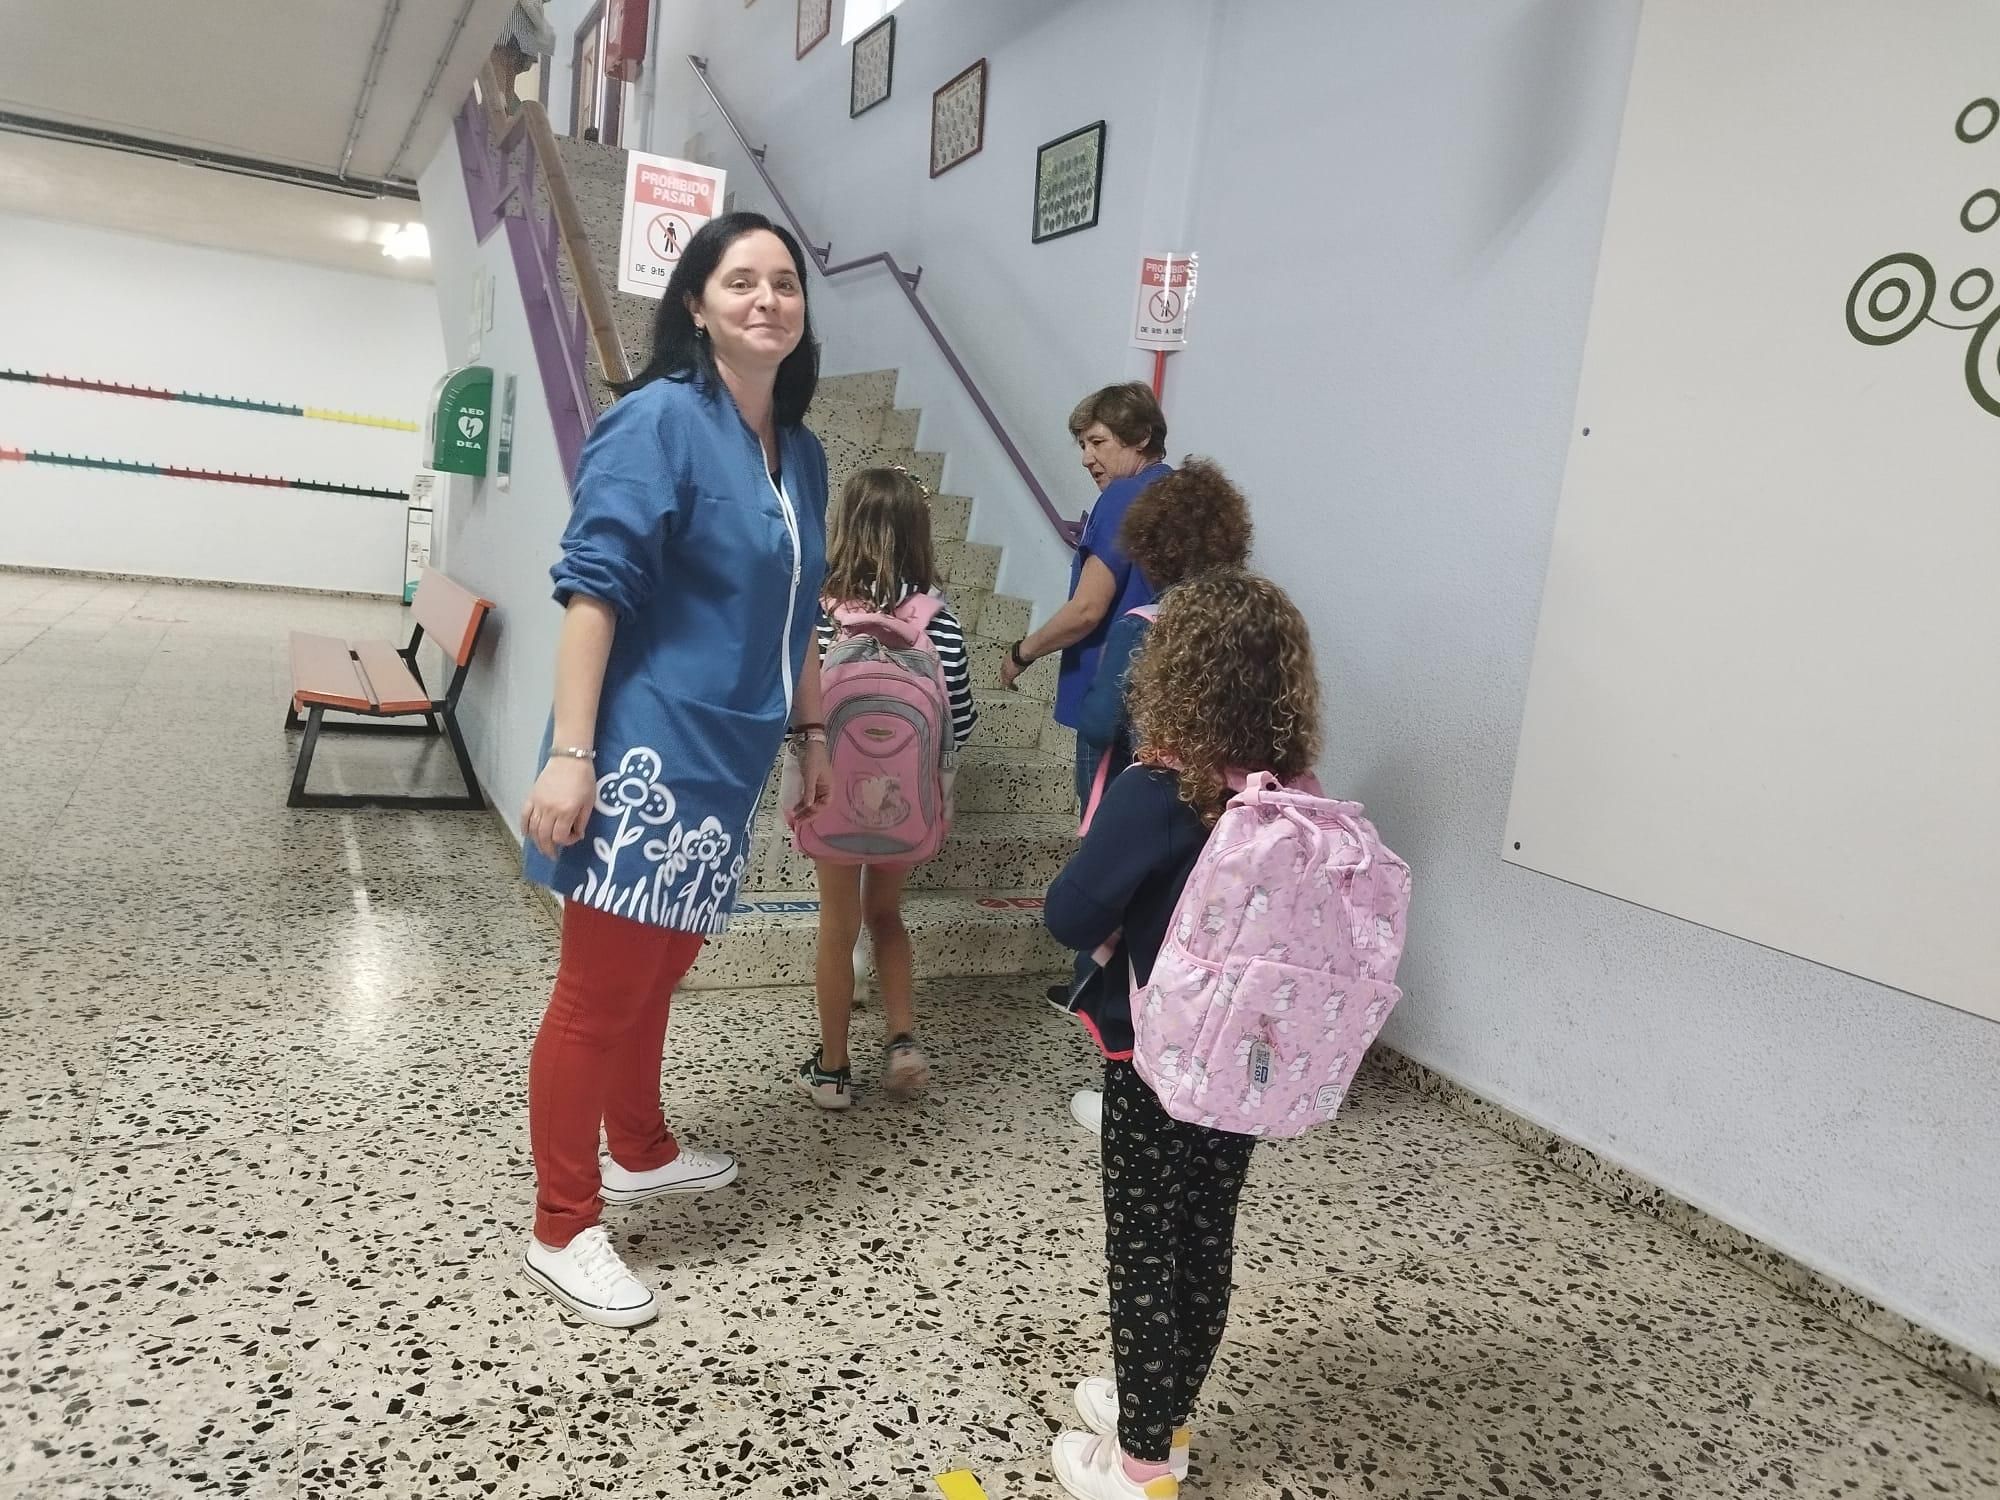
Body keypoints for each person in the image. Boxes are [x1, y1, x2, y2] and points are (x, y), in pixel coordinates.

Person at [517, 212, 832, 1329]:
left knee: (660, 971)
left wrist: (805, 744)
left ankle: (641, 1146)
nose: (765, 299)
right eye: (738, 280)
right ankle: (563, 1223)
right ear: (694, 304)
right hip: (644, 751)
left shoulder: (803, 454)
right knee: (597, 994)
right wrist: (571, 755)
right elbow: (592, 589)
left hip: (732, 761)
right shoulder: (654, 421)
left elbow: (798, 616)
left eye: (783, 282)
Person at [1042, 573, 1324, 1499]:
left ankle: (1142, 1464)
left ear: (1177, 677)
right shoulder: (1293, 798)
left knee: (1142, 1245)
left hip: (1154, 1062)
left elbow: (1070, 914)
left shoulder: (1158, 789)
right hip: (1245, 1068)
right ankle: (1165, 1408)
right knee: (1206, 1232)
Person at [1063, 458, 1255, 1138]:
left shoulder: (1147, 622)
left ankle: (1128, 1087)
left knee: (1138, 952)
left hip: (1155, 806)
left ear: (1151, 547)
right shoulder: (1251, 620)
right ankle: (1201, 1078)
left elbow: (1098, 721)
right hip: (1231, 822)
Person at [795, 467, 979, 1109]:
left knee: (837, 925)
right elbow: (962, 713)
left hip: (830, 798)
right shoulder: (938, 617)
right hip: (907, 803)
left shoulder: (818, 613)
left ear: (846, 525)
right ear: (918, 533)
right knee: (887, 916)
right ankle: (902, 1039)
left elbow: (800, 701)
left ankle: (834, 1071)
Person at [998, 383, 1172, 807]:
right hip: (1162, 699)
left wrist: (1022, 652)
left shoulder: (1125, 496)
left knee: (1100, 829)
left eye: (1098, 442)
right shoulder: (1177, 494)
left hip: (1114, 699)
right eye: (1082, 445)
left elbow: (1087, 609)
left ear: (1142, 437)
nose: (1086, 458)